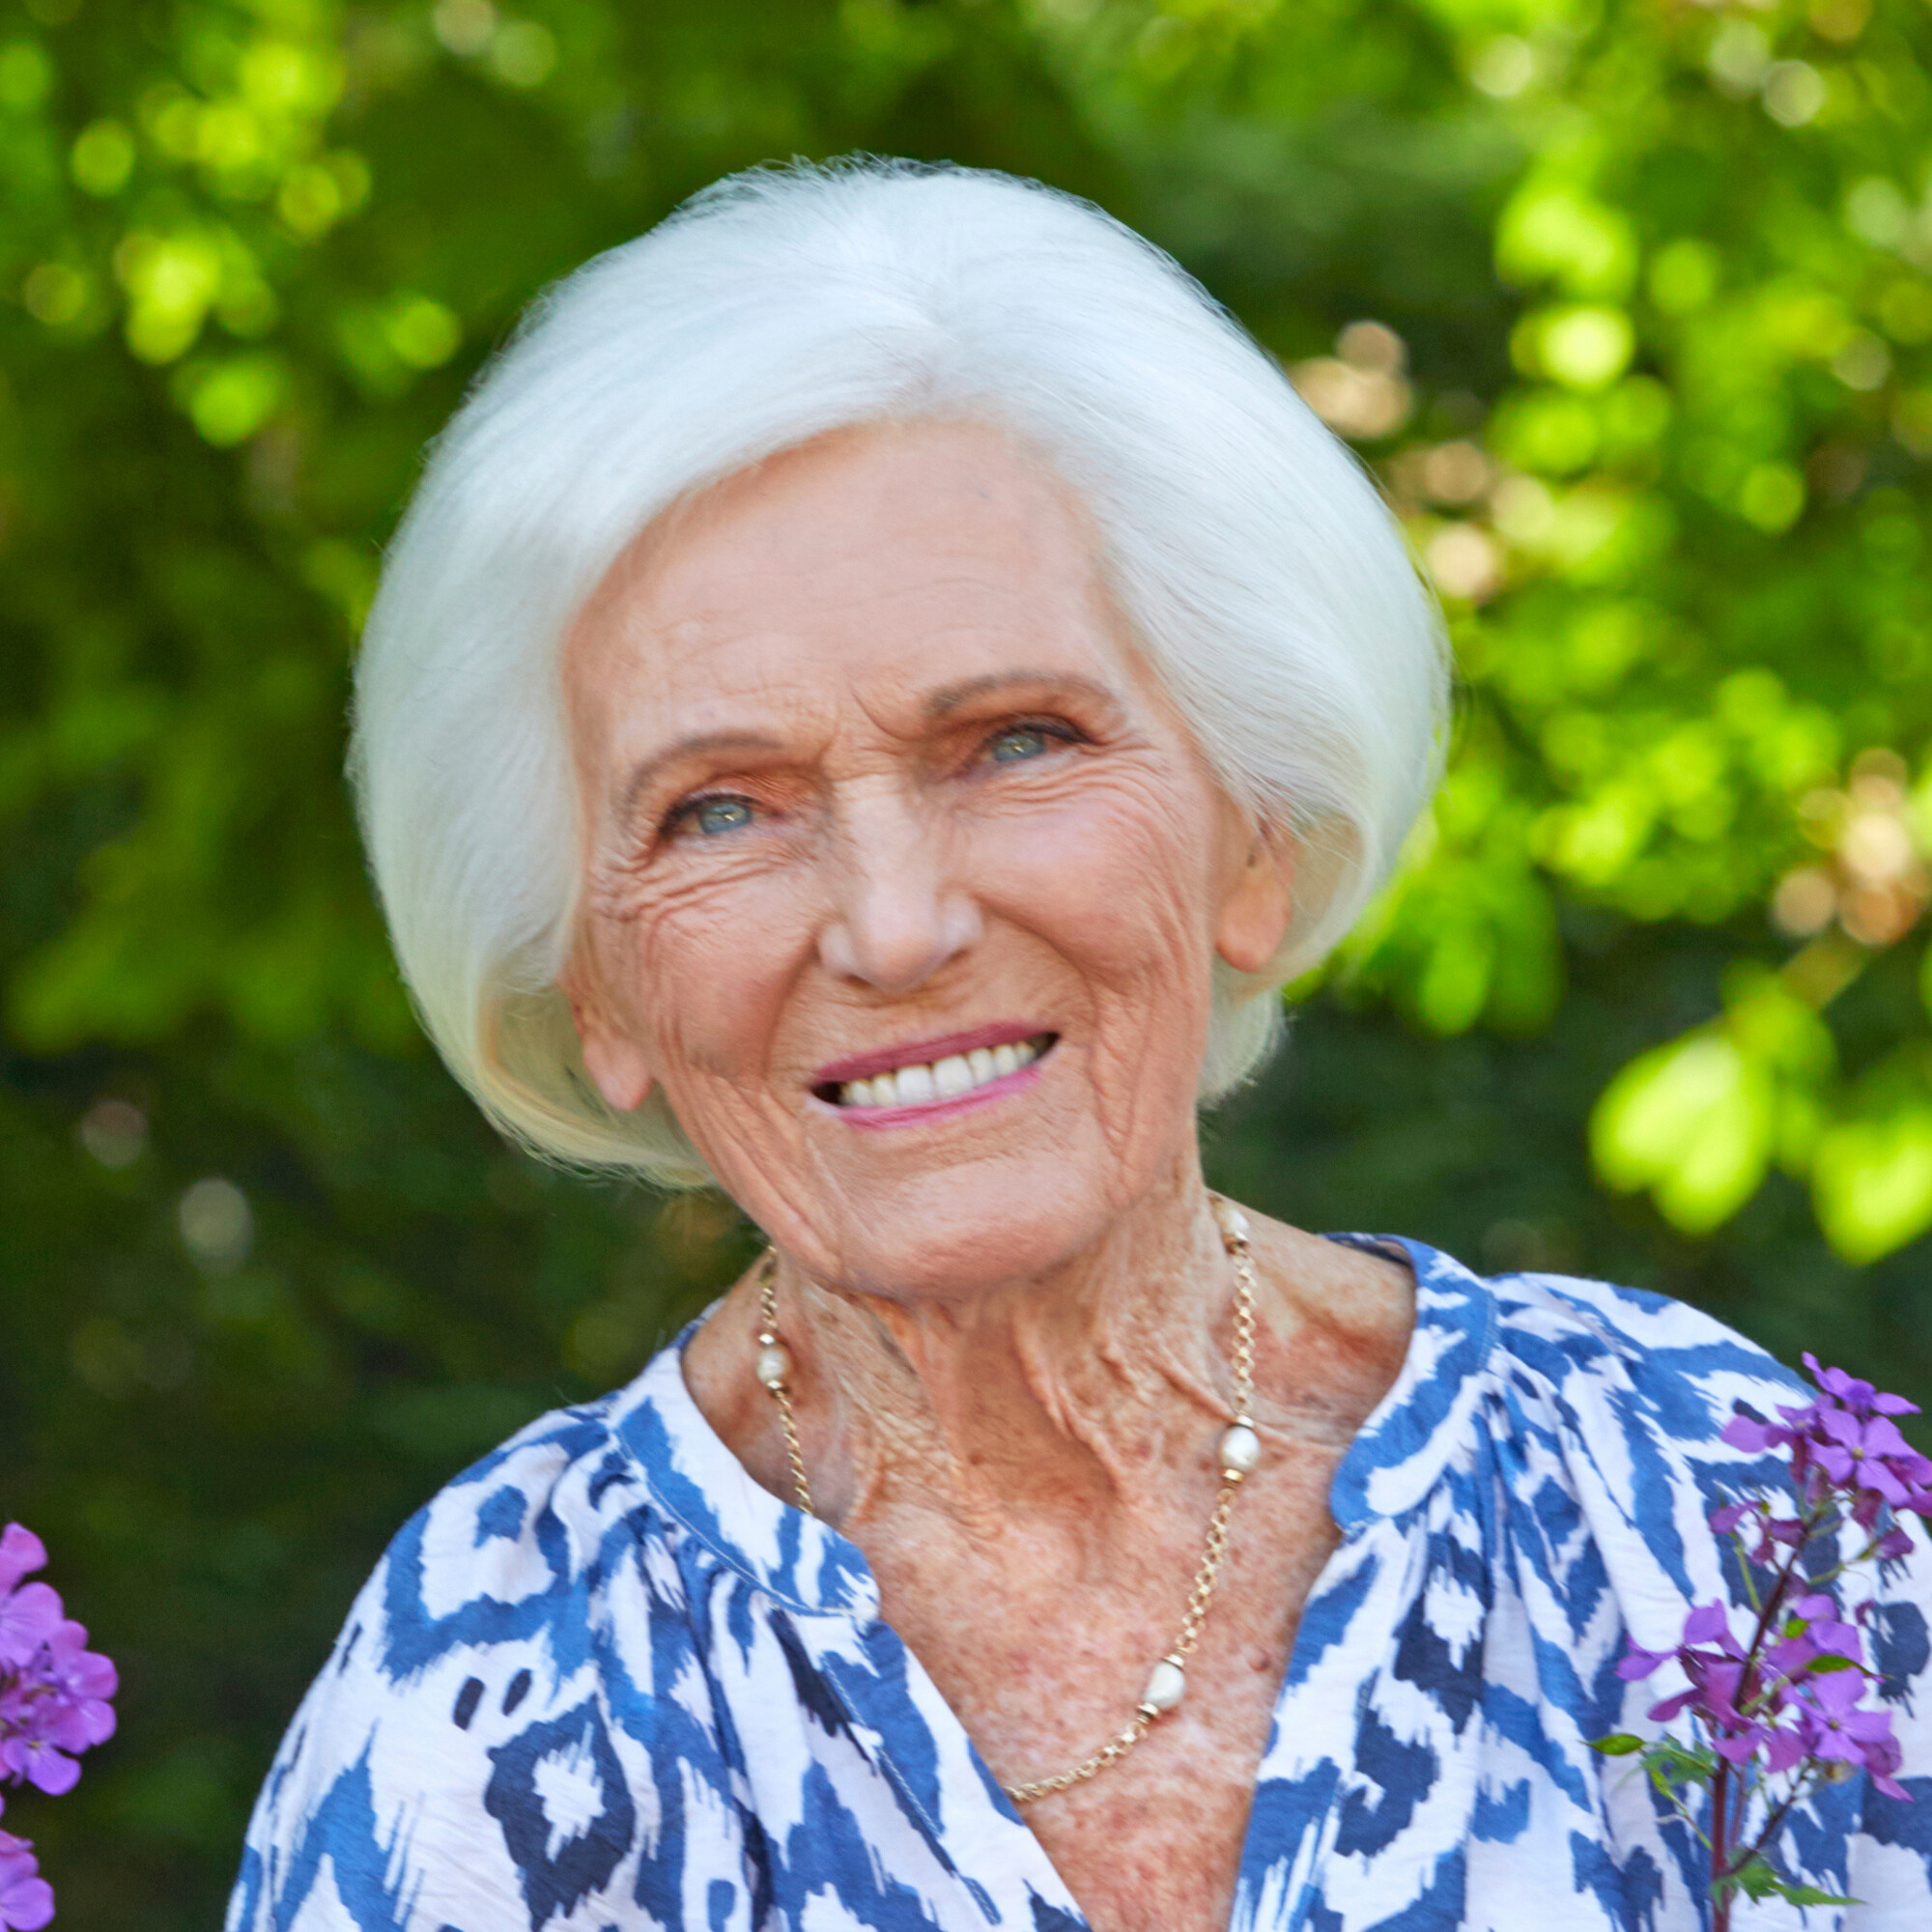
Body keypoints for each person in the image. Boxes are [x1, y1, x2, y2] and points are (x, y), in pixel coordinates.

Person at [226, 160, 1932, 1932]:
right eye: (719, 810)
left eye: (1018, 743)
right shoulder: (488, 1703)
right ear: (595, 984)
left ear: (1250, 837)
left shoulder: (1722, 1513)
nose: (894, 927)